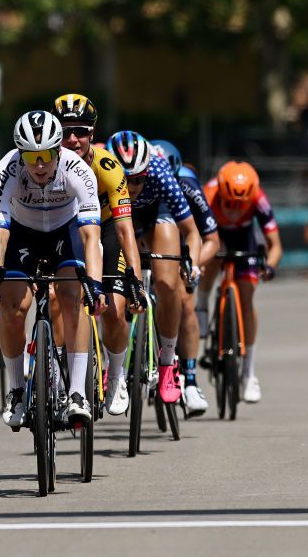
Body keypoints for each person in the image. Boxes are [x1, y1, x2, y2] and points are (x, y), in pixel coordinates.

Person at [0, 110, 106, 427]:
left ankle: (77, 394)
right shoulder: (4, 171)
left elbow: (91, 236)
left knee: (72, 296)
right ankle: (18, 390)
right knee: (12, 305)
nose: (39, 164)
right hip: (22, 232)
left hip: (67, 231)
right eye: (31, 156)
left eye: (47, 155)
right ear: (20, 152)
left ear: (59, 149)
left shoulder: (77, 170)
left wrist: (94, 282)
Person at [51, 94, 145, 416]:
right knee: (57, 297)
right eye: (64, 131)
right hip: (65, 227)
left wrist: (135, 276)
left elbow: (124, 229)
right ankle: (56, 372)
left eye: (80, 131)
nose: (72, 139)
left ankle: (116, 374)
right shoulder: (45, 164)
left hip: (104, 227)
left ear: (92, 132)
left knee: (115, 310)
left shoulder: (108, 167)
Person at [108, 132, 203, 414]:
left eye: (139, 178)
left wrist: (193, 264)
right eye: (128, 179)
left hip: (155, 213)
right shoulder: (101, 168)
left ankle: (168, 365)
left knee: (166, 282)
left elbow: (192, 232)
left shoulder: (160, 172)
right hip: (115, 211)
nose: (134, 185)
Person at [200, 161, 282, 404]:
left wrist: (269, 266)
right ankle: (202, 302)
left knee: (247, 296)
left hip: (245, 238)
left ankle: (249, 373)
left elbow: (275, 245)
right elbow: (197, 237)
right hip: (215, 234)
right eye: (230, 203)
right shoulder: (208, 195)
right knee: (213, 256)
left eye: (241, 204)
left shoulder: (258, 198)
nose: (235, 209)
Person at [149, 139, 221, 415]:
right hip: (149, 233)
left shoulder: (187, 185)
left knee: (185, 301)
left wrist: (192, 265)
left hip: (183, 242)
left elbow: (211, 239)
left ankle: (190, 380)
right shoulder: (138, 182)